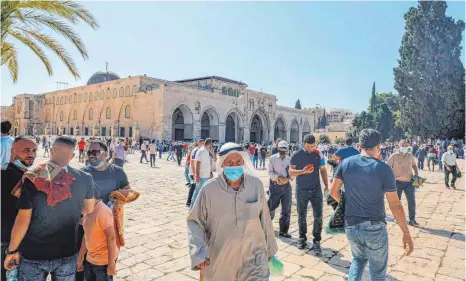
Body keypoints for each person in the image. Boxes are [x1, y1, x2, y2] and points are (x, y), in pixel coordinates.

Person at [4, 135, 95, 281]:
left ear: (52, 151)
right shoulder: (85, 178)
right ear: (72, 155)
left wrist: (12, 250)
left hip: (33, 253)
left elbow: (23, 219)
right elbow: (88, 210)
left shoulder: (33, 177)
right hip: (67, 252)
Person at [330, 129, 414, 281]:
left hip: (351, 225)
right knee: (377, 273)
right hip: (374, 227)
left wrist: (347, 205)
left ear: (360, 145)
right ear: (378, 146)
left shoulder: (346, 163)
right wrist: (406, 233)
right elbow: (395, 204)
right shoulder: (383, 169)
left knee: (358, 260)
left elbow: (333, 192)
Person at [187, 142, 278, 281]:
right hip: (221, 261)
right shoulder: (209, 190)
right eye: (229, 162)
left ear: (244, 162)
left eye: (238, 161)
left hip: (254, 259)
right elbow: (195, 222)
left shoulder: (256, 185)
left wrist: (271, 251)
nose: (234, 165)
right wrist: (198, 253)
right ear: (222, 164)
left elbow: (265, 220)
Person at [1, 136, 37, 281]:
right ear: (13, 151)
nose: (31, 154)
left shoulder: (25, 175)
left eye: (34, 151)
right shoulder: (7, 174)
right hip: (8, 240)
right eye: (26, 150)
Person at [289, 134, 328, 253]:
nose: (310, 149)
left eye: (312, 146)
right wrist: (303, 171)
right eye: (308, 146)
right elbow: (291, 172)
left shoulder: (318, 154)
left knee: (318, 216)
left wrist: (326, 185)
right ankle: (302, 238)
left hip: (316, 189)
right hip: (302, 189)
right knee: (302, 215)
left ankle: (317, 240)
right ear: (304, 144)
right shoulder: (296, 155)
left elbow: (323, 169)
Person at [387, 140, 419, 226]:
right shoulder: (394, 156)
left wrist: (416, 175)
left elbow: (414, 166)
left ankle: (412, 219)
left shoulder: (410, 156)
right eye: (403, 145)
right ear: (399, 146)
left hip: (409, 182)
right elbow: (387, 168)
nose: (404, 146)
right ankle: (397, 218)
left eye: (406, 145)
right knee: (397, 202)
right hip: (397, 182)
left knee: (412, 202)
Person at [268, 141, 292, 238]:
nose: (283, 150)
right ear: (278, 148)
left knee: (286, 209)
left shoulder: (290, 159)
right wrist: (278, 178)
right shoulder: (272, 158)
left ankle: (284, 231)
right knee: (271, 206)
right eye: (281, 148)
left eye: (285, 148)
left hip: (286, 186)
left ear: (287, 149)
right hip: (275, 185)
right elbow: (270, 172)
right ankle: (266, 226)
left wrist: (287, 179)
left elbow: (292, 173)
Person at [190, 139, 212, 208]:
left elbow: (207, 164)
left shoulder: (206, 150)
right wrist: (197, 176)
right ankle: (192, 207)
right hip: (202, 176)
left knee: (204, 192)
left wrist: (210, 173)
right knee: (197, 191)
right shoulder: (201, 151)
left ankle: (200, 207)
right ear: (210, 144)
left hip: (206, 175)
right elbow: (197, 164)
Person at [186, 142, 200, 207]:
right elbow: (193, 162)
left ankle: (190, 201)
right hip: (193, 172)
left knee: (193, 187)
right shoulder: (196, 150)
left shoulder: (194, 150)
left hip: (192, 171)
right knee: (194, 187)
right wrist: (195, 174)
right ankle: (190, 202)